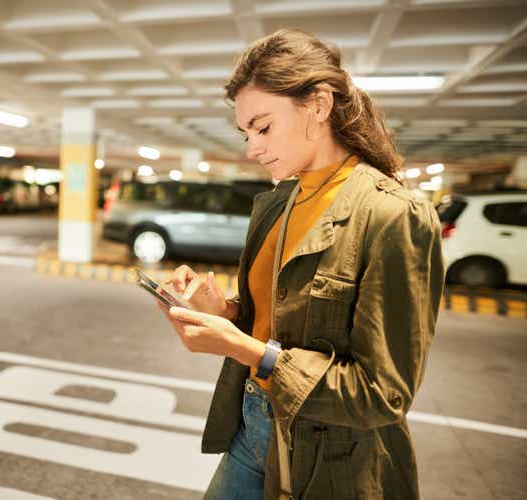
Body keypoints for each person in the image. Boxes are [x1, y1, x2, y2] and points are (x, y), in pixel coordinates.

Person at [158, 28, 444, 500]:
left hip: (331, 453)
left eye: (263, 127)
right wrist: (226, 314)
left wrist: (246, 350)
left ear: (318, 105)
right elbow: (288, 321)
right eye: (246, 131)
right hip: (251, 425)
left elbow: (382, 394)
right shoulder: (279, 202)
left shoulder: (394, 215)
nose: (252, 148)